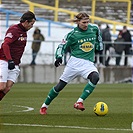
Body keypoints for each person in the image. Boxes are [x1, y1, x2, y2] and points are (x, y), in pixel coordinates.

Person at [39, 12, 103, 115]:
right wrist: (59, 57)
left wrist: (99, 47)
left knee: (95, 77)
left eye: (87, 22)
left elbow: (99, 38)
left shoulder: (94, 29)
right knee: (60, 86)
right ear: (78, 22)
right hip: (74, 63)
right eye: (84, 22)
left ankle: (79, 102)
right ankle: (44, 106)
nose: (86, 24)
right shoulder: (72, 34)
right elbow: (62, 46)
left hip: (88, 63)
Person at [0, 11, 36, 101]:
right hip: (5, 61)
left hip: (15, 63)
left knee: (7, 88)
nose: (32, 26)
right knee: (1, 87)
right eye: (31, 24)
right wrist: (9, 60)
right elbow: (5, 44)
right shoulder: (14, 29)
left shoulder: (24, 32)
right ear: (26, 22)